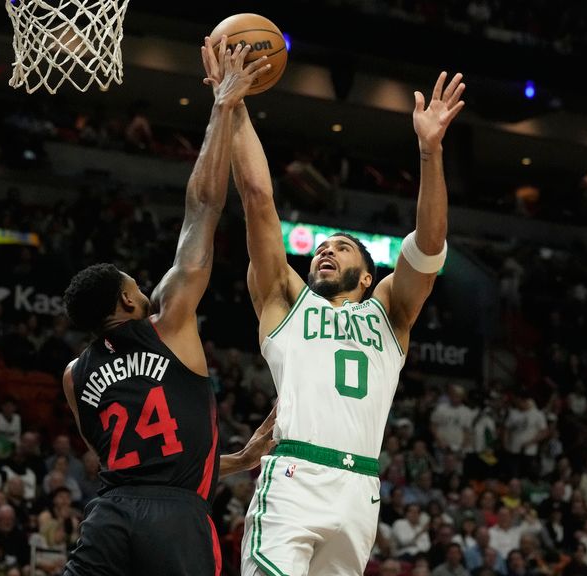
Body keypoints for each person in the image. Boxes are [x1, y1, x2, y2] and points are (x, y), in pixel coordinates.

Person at [219, 36, 466, 572]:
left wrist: (430, 151)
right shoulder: (284, 300)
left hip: (359, 490)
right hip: (294, 478)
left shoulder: (390, 313)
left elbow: (429, 245)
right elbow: (258, 201)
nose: (326, 251)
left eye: (342, 247)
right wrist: (233, 103)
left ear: (368, 273)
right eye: (321, 249)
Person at [59, 39, 275, 576]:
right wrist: (223, 105)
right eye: (138, 284)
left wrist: (240, 461)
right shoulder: (170, 321)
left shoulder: (72, 375)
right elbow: (202, 206)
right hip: (175, 519)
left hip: (108, 516)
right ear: (131, 299)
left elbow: (133, 464)